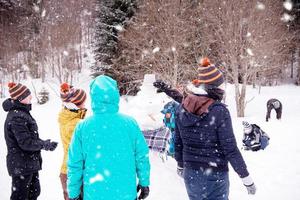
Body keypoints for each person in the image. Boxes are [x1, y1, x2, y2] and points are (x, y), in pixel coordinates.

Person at [174, 58, 256, 200]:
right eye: (220, 85)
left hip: (191, 173)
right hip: (215, 175)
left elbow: (178, 141)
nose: (223, 88)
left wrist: (181, 165)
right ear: (213, 87)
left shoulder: (182, 107)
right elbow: (230, 148)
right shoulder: (219, 111)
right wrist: (246, 177)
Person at [67, 75, 150, 200]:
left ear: (93, 97)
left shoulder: (83, 127)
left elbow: (75, 163)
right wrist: (144, 182)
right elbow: (141, 156)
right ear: (115, 95)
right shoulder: (130, 124)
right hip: (125, 193)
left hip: (95, 193)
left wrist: (73, 192)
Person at [2, 82, 58, 200]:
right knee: (21, 197)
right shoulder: (17, 117)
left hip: (27, 164)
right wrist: (44, 145)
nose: (31, 97)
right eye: (28, 95)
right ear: (21, 98)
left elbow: (29, 139)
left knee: (33, 193)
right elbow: (26, 143)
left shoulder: (22, 113)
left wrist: (44, 143)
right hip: (21, 165)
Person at [58, 83, 87, 200]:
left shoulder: (67, 117)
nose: (85, 104)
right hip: (74, 172)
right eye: (83, 102)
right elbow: (82, 151)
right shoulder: (76, 124)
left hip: (67, 171)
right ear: (77, 105)